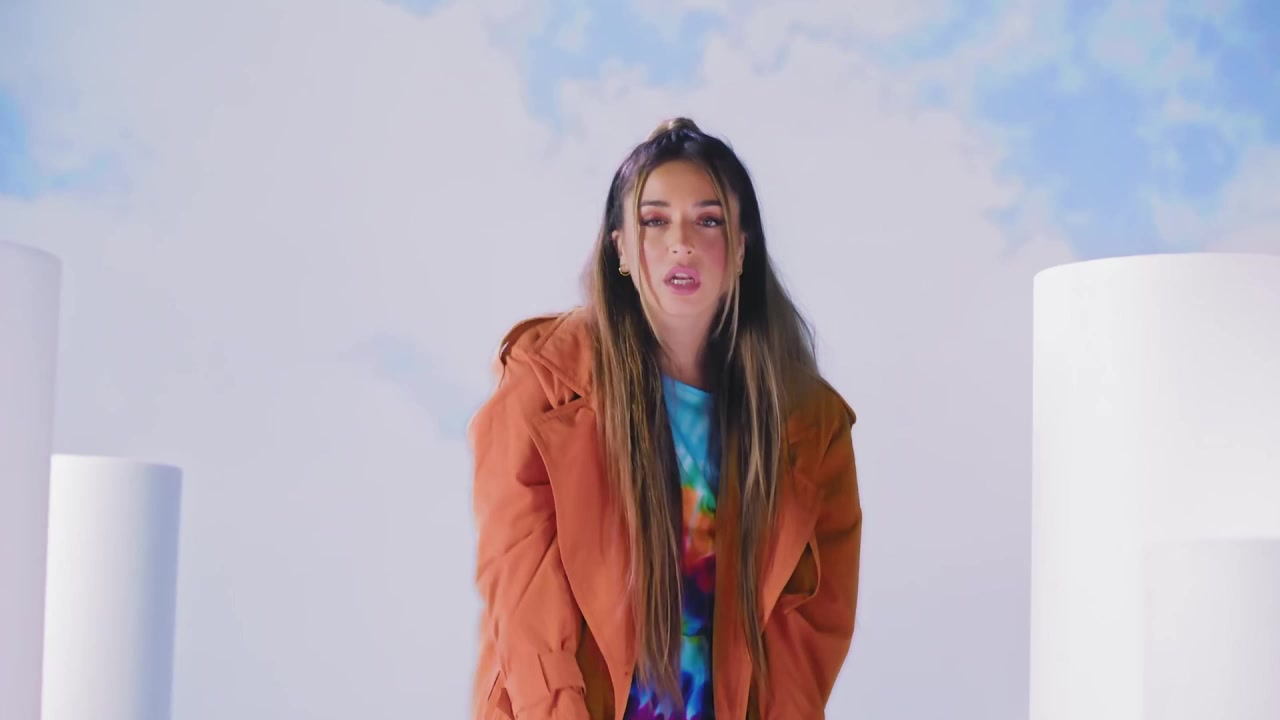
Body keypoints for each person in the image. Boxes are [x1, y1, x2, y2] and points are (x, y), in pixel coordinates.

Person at [468, 117, 862, 720]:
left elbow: (808, 635)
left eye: (709, 221)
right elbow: (525, 603)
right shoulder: (544, 380)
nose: (682, 243)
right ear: (620, 248)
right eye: (654, 221)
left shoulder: (809, 424)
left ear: (742, 249)